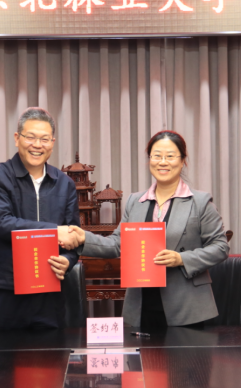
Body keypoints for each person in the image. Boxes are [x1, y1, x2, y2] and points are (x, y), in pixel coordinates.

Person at [65, 130, 229, 328]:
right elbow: (118, 244)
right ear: (149, 160)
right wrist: (84, 237)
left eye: (170, 156)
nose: (163, 162)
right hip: (141, 304)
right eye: (157, 156)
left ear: (182, 160)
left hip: (187, 305)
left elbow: (220, 247)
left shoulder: (200, 202)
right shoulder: (136, 201)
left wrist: (181, 259)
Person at [0, 107, 80, 331]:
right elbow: (1, 223)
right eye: (30, 137)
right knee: (2, 353)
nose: (37, 145)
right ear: (17, 138)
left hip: (51, 292)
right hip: (7, 291)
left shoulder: (65, 183)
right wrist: (54, 230)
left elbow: (73, 235)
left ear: (52, 142)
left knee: (52, 352)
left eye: (44, 139)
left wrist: (68, 260)